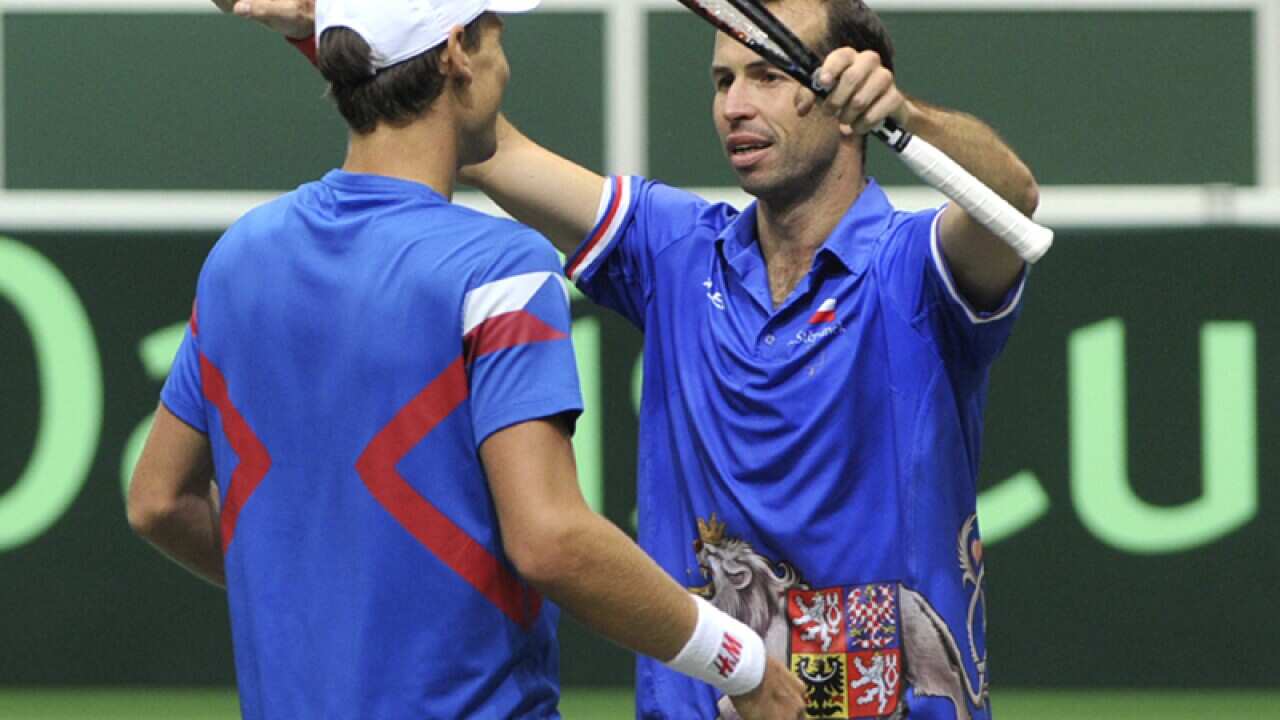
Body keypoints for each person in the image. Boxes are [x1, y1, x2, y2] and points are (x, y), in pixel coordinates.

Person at [226, 1, 1039, 718]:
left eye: (768, 73)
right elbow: (479, 144)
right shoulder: (677, 250)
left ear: (850, 102)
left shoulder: (916, 269)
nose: (737, 105)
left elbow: (1011, 204)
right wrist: (338, 30)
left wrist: (911, 117)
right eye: (723, 81)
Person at [127, 0, 807, 718]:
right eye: (497, 40)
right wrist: (738, 660)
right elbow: (550, 540)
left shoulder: (241, 254)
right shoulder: (499, 267)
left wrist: (312, 595)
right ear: (457, 52)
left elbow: (158, 501)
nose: (505, 67)